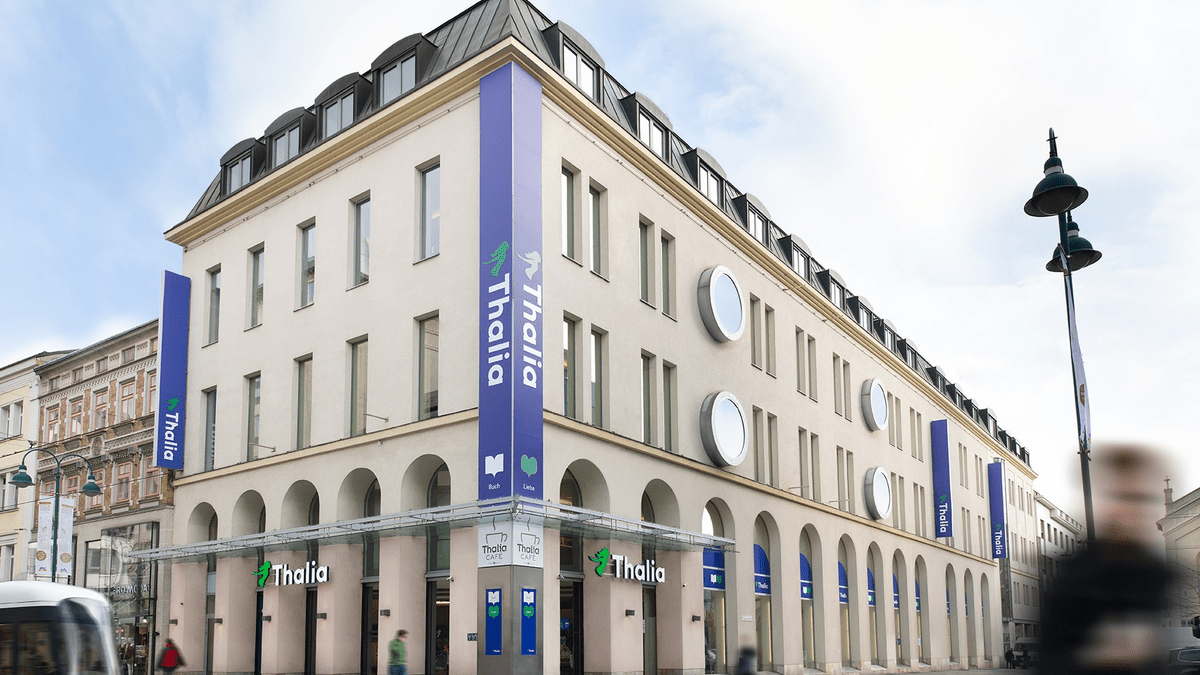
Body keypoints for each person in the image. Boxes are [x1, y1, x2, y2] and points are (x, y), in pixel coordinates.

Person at [1037, 443, 1175, 675]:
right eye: (1122, 498)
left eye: (1139, 499)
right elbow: (1049, 660)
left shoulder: (1159, 574)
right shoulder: (1074, 578)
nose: (1130, 511)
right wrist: (1097, 655)